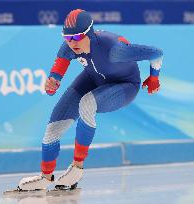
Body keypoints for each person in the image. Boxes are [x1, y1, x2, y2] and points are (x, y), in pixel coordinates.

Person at [18, 9, 163, 191]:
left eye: (77, 37)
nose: (72, 43)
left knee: (87, 103)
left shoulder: (115, 50)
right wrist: (52, 83)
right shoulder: (68, 47)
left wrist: (154, 78)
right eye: (67, 38)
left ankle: (77, 167)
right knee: (52, 129)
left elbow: (156, 53)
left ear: (89, 33)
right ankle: (45, 177)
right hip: (93, 79)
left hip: (124, 86)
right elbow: (56, 75)